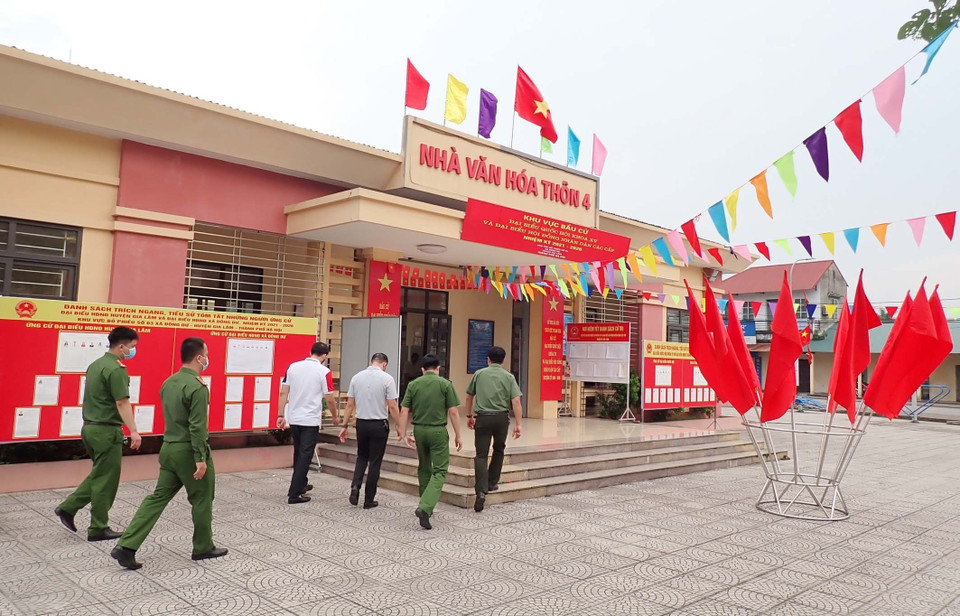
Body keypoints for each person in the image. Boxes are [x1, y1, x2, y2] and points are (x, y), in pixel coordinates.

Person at [111, 337, 226, 569]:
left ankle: (126, 545)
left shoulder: (169, 382)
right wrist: (200, 458)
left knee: (157, 498)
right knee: (202, 498)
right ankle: (203, 546)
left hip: (169, 448)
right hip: (188, 451)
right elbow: (197, 427)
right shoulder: (197, 387)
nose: (207, 358)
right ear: (199, 358)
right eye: (206, 354)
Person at [55, 326, 142, 541]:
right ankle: (98, 527)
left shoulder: (95, 365)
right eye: (132, 347)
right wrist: (133, 430)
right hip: (106, 431)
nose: (133, 351)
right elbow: (122, 402)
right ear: (121, 347)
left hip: (90, 428)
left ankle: (68, 507)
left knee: (101, 473)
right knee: (106, 480)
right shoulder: (116, 369)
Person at [397, 354, 461, 530]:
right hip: (437, 431)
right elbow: (454, 412)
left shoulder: (413, 384)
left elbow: (404, 411)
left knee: (424, 467)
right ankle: (425, 507)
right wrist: (458, 435)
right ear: (438, 368)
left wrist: (403, 433)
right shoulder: (445, 384)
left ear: (422, 369)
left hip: (419, 430)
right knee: (440, 470)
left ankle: (425, 503)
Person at [277, 342, 338, 504]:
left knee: (298, 452)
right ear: (324, 356)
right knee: (305, 455)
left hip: (294, 418)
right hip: (310, 420)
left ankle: (301, 484)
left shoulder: (293, 367)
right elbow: (330, 398)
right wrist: (334, 416)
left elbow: (283, 393)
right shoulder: (324, 372)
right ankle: (294, 493)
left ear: (311, 352)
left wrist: (280, 414)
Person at [465, 346, 523, 512]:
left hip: (483, 418)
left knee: (481, 454)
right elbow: (516, 401)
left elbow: (469, 396)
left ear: (488, 359)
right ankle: (492, 482)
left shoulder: (479, 374)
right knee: (499, 449)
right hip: (501, 418)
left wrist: (469, 416)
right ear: (503, 360)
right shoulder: (509, 376)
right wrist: (519, 424)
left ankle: (481, 491)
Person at [338, 353, 400, 509]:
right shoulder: (387, 379)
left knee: (362, 456)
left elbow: (349, 405)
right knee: (375, 461)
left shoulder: (356, 377)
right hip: (378, 425)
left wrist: (344, 426)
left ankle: (355, 486)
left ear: (371, 362)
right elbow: (392, 406)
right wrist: (400, 425)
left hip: (361, 424)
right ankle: (369, 499)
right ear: (384, 364)